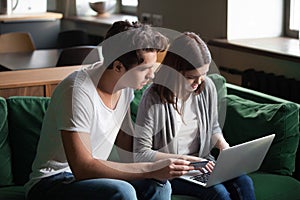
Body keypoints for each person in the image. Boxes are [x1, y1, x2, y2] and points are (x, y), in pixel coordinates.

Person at [25, 21, 195, 200]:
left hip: (94, 178)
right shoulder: (77, 91)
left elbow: (127, 148)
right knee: (123, 191)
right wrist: (150, 169)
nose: (151, 75)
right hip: (51, 182)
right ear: (118, 66)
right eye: (144, 69)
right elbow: (82, 168)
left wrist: (179, 161)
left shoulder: (126, 86)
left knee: (158, 185)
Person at [134, 32, 256, 199]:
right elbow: (141, 153)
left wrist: (225, 148)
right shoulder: (152, 98)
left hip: (204, 163)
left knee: (244, 182)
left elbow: (213, 127)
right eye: (192, 77)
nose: (199, 82)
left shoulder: (207, 87)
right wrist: (189, 161)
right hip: (174, 170)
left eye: (203, 75)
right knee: (219, 193)